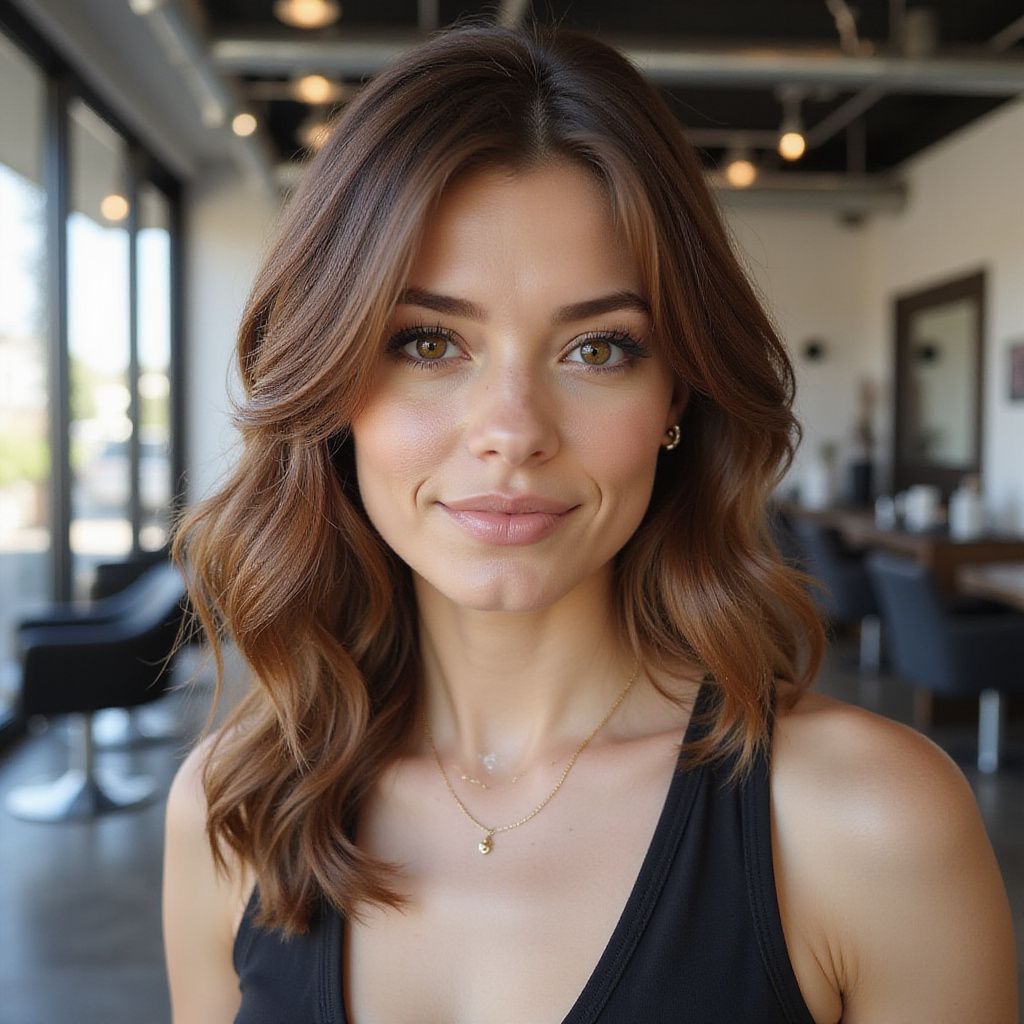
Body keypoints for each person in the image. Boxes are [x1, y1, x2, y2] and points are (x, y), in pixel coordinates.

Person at [161, 20, 1018, 1024]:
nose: (512, 432)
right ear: (330, 390)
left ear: (677, 400)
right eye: (428, 342)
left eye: (599, 349)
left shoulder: (866, 823)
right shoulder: (234, 808)